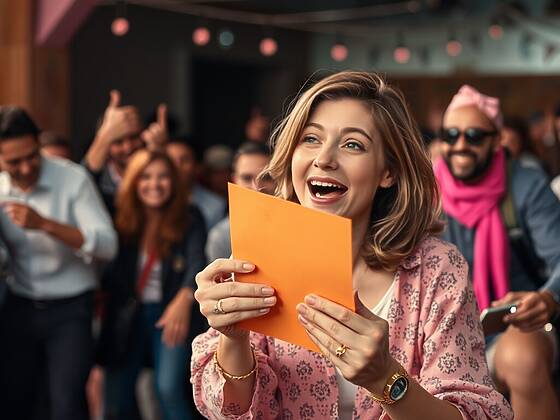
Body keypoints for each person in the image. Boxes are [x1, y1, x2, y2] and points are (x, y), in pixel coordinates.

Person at [191, 72, 513, 419]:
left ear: (387, 171)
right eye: (310, 139)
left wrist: (384, 378)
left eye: (353, 144)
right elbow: (231, 410)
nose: (325, 159)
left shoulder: (437, 269)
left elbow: (476, 414)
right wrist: (233, 338)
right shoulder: (259, 256)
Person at [435, 85, 560, 420]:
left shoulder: (525, 184)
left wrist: (548, 299)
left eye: (474, 136)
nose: (461, 145)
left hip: (514, 326)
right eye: (451, 134)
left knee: (523, 358)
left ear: (497, 139)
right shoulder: (423, 189)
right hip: (438, 330)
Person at [0, 106, 117, 420]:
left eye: (32, 156)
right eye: (14, 162)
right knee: (15, 398)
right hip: (19, 304)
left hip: (71, 309)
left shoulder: (72, 178)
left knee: (66, 403)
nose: (26, 167)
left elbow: (107, 244)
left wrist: (46, 224)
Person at [97, 149, 207, 420]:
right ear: (134, 180)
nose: (154, 184)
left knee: (168, 388)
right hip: (127, 316)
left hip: (169, 314)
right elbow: (88, 177)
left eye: (163, 177)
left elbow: (196, 262)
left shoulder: (189, 216)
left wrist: (183, 300)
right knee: (118, 398)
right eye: (146, 176)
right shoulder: (118, 216)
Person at [83, 90, 168, 215]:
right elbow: (80, 186)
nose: (128, 148)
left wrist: (159, 155)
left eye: (134, 137)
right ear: (107, 146)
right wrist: (105, 136)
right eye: (118, 141)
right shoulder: (99, 184)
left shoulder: (158, 177)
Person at [206, 141, 273, 262]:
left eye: (266, 177)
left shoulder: (298, 227)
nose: (256, 187)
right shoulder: (222, 237)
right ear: (234, 180)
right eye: (247, 178)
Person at [166, 138, 226, 230]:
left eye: (184, 160)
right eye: (170, 160)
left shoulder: (216, 206)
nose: (177, 166)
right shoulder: (151, 202)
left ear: (196, 166)